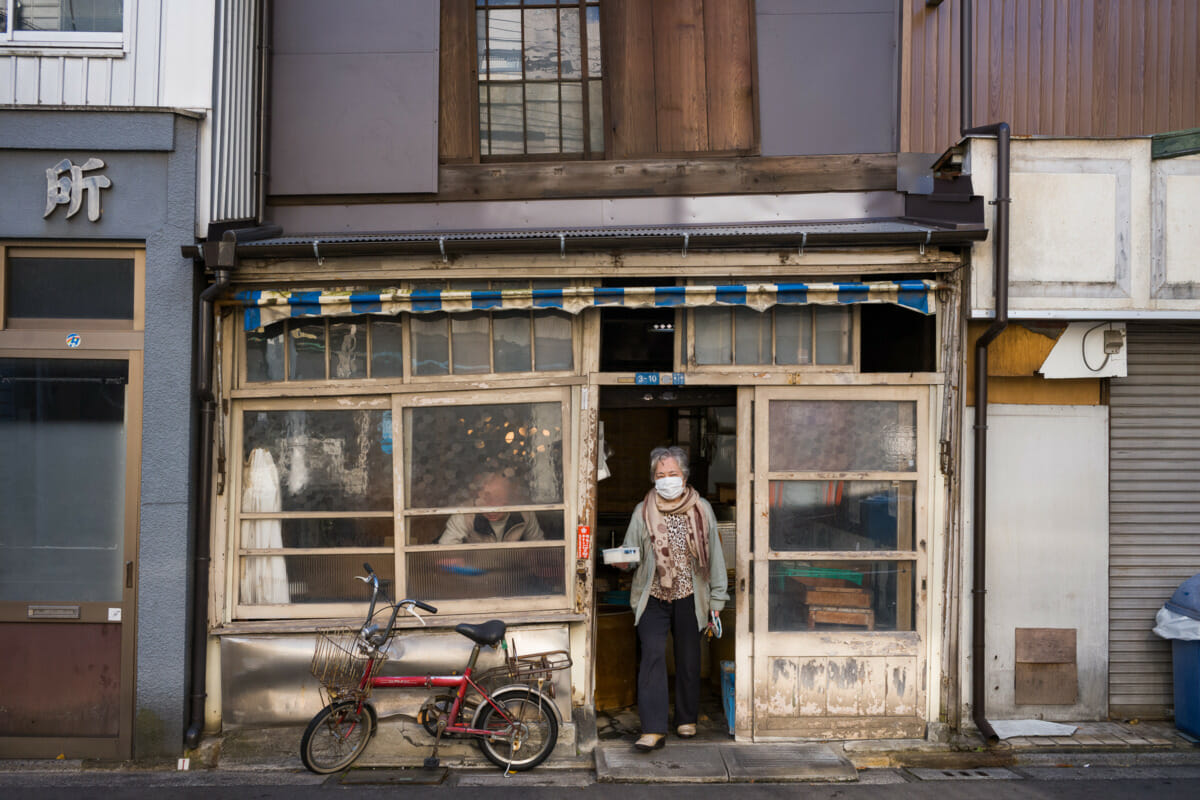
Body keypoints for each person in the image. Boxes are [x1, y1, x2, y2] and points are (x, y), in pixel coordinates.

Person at [619, 446, 728, 752]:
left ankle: (685, 718)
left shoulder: (702, 508)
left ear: (684, 476)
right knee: (652, 656)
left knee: (689, 658)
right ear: (653, 478)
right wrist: (623, 561)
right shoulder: (642, 511)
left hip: (690, 595)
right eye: (660, 475)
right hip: (652, 595)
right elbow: (631, 552)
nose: (667, 480)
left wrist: (717, 601)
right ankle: (653, 729)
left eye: (672, 474)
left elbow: (716, 557)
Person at [438, 471, 545, 544]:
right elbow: (445, 550)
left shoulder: (524, 513)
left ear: (510, 498)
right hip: (472, 576)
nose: (491, 507)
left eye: (498, 499)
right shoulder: (465, 513)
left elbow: (540, 550)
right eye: (485, 499)